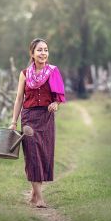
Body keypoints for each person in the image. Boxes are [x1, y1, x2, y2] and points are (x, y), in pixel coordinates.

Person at [9, 38, 66, 208]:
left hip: (46, 118)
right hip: (28, 118)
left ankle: (34, 194)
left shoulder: (53, 71)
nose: (43, 53)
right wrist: (13, 122)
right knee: (32, 154)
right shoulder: (25, 74)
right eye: (40, 50)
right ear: (32, 54)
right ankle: (40, 198)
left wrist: (55, 104)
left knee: (44, 154)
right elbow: (19, 98)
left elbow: (58, 97)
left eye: (46, 50)